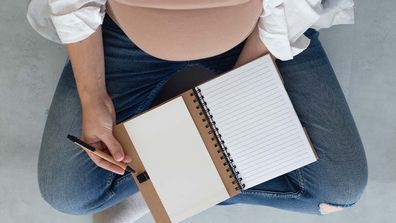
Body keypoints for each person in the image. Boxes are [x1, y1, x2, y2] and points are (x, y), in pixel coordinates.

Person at [26, 0, 368, 220]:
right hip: (123, 34)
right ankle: (175, 183)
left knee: (338, 189)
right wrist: (92, 96)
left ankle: (161, 187)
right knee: (68, 193)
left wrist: (241, 87)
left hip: (262, 25)